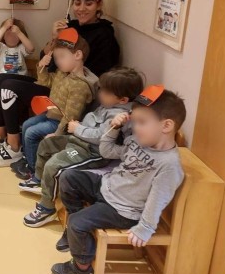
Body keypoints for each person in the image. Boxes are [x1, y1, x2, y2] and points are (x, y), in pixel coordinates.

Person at [0, 0, 119, 160]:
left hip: (68, 91)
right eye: (77, 3)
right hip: (52, 80)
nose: (81, 8)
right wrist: (54, 38)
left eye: (88, 4)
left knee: (9, 86)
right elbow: (46, 58)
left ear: (99, 5)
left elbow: (93, 78)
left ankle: (14, 145)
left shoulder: (104, 35)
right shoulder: (69, 26)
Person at [51, 85, 185, 274]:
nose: (135, 127)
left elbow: (158, 199)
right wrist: (113, 128)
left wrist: (145, 228)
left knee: (78, 222)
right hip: (107, 186)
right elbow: (107, 151)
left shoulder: (169, 164)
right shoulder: (138, 141)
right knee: (68, 177)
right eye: (135, 121)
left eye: (142, 122)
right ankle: (76, 233)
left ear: (166, 126)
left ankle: (82, 268)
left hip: (123, 210)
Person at [20, 67, 144, 227]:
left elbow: (101, 137)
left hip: (91, 151)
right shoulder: (108, 105)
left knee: (53, 164)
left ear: (123, 100)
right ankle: (39, 180)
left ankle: (47, 208)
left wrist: (77, 129)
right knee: (46, 144)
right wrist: (79, 127)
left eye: (105, 92)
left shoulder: (119, 116)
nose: (100, 94)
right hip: (79, 140)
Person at [0, 28, 98, 168]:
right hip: (51, 113)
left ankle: (32, 167)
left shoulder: (80, 85)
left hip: (58, 121)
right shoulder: (63, 73)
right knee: (26, 124)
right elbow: (45, 82)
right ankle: (22, 154)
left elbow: (70, 115)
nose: (58, 62)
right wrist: (42, 67)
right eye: (56, 58)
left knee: (31, 132)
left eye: (61, 57)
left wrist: (57, 133)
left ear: (78, 55)